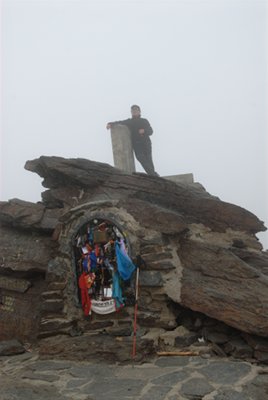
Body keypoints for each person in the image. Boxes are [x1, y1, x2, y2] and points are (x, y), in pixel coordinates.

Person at [106, 105, 159, 176]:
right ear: (131, 112)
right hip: (137, 144)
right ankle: (154, 174)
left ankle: (153, 175)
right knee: (140, 158)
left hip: (146, 143)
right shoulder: (130, 122)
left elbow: (151, 131)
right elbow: (120, 122)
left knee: (149, 160)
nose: (134, 112)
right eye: (133, 111)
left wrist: (144, 131)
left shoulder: (144, 121)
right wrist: (110, 123)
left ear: (139, 111)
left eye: (136, 110)